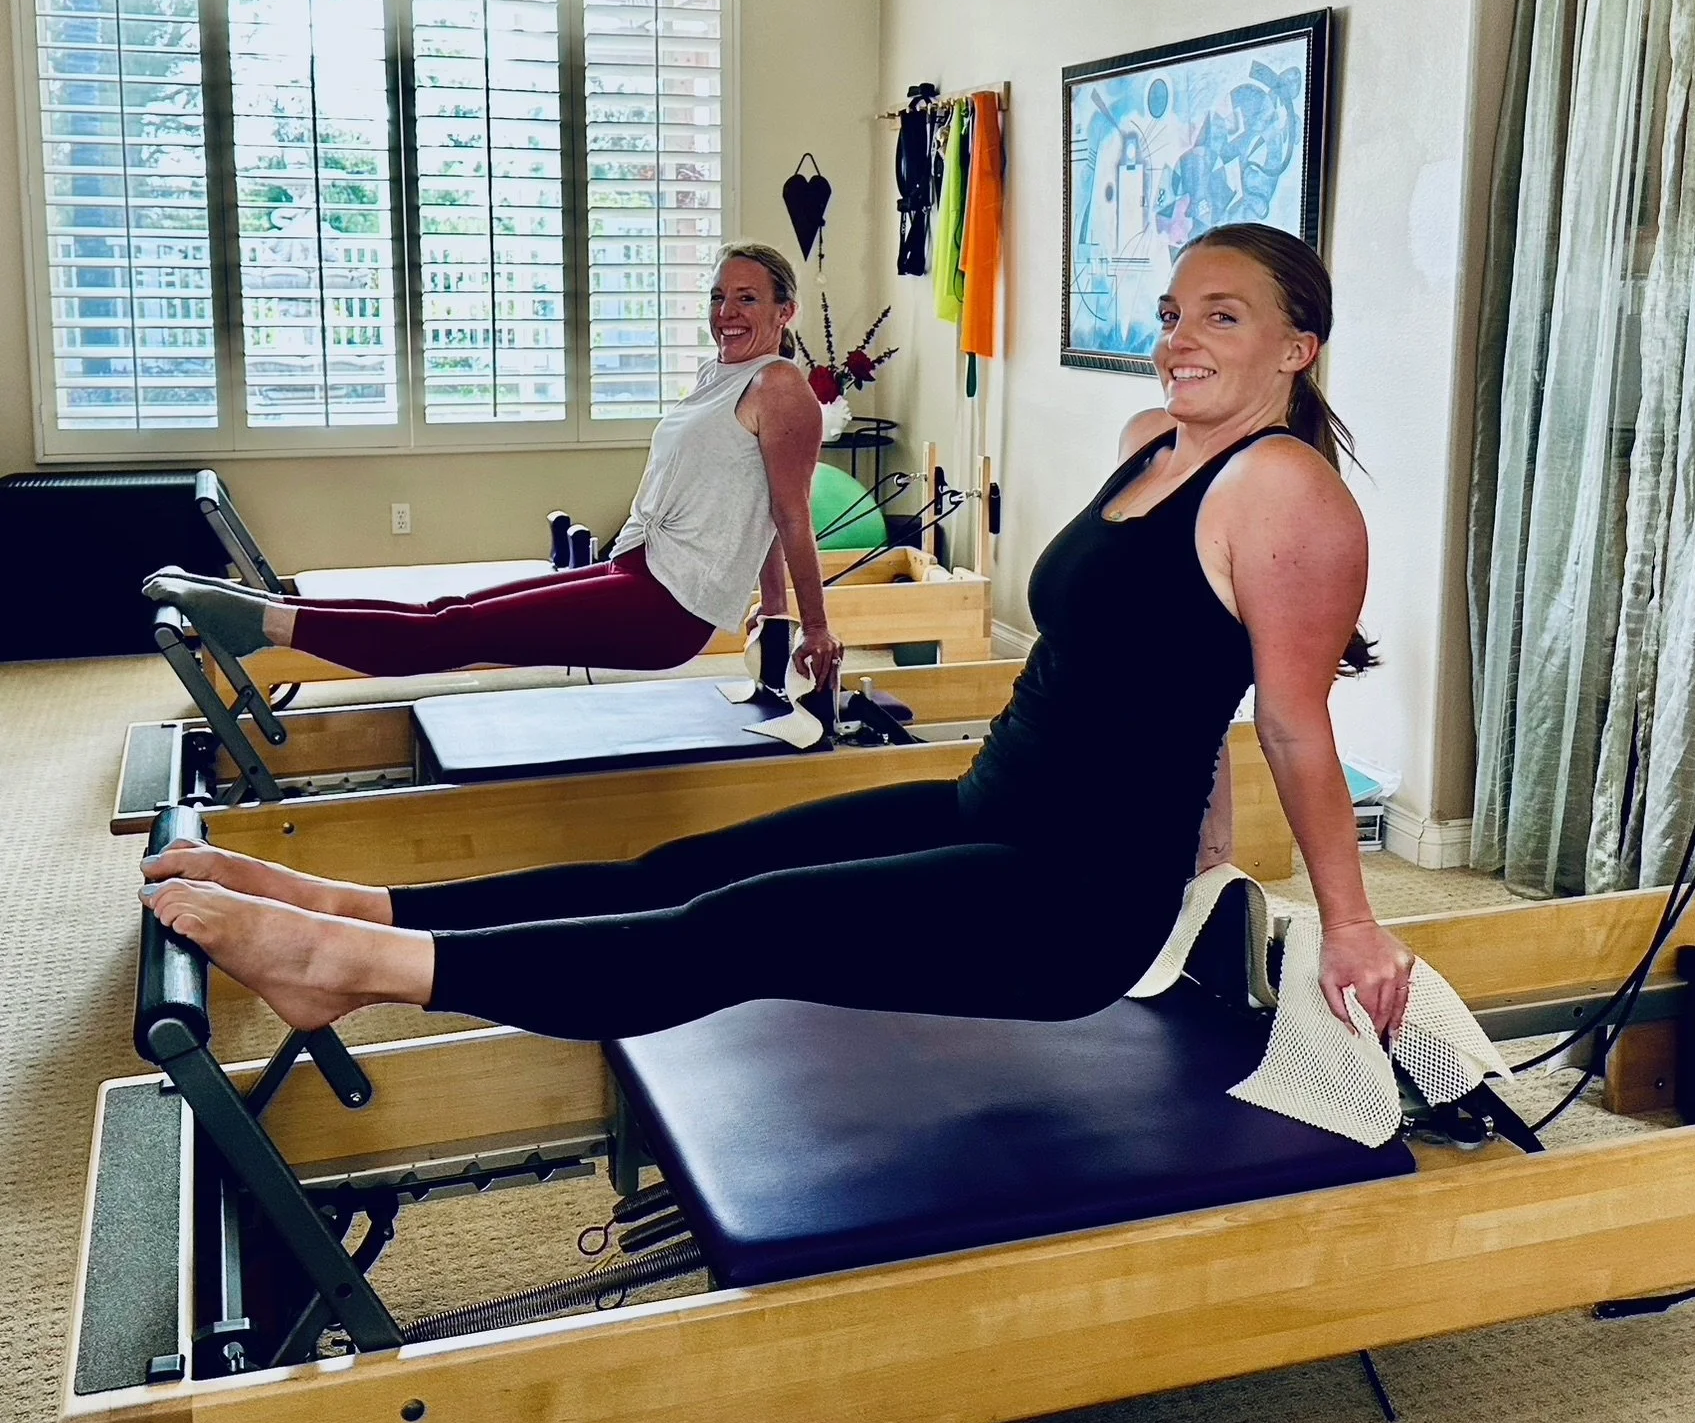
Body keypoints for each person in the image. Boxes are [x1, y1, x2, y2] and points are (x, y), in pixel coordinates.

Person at [141, 223, 1415, 1041]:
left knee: (733, 935)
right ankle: (353, 899)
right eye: (1174, 311)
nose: (1178, 338)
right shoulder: (1149, 447)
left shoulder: (1291, 496)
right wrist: (1211, 868)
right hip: (988, 807)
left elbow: (1291, 728)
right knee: (679, 871)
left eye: (1223, 316)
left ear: (1298, 347)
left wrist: (1349, 927)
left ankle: (346, 967)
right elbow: (1149, 679)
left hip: (1072, 899)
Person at [143, 243, 845, 688]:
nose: (726, 311)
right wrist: (772, 612)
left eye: (747, 298)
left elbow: (788, 515)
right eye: (718, 296)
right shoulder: (718, 374)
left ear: (785, 311)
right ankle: (271, 609)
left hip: (669, 606)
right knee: (451, 611)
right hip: (638, 567)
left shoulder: (782, 389)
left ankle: (262, 627)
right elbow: (750, 498)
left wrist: (810, 627)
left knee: (456, 633)